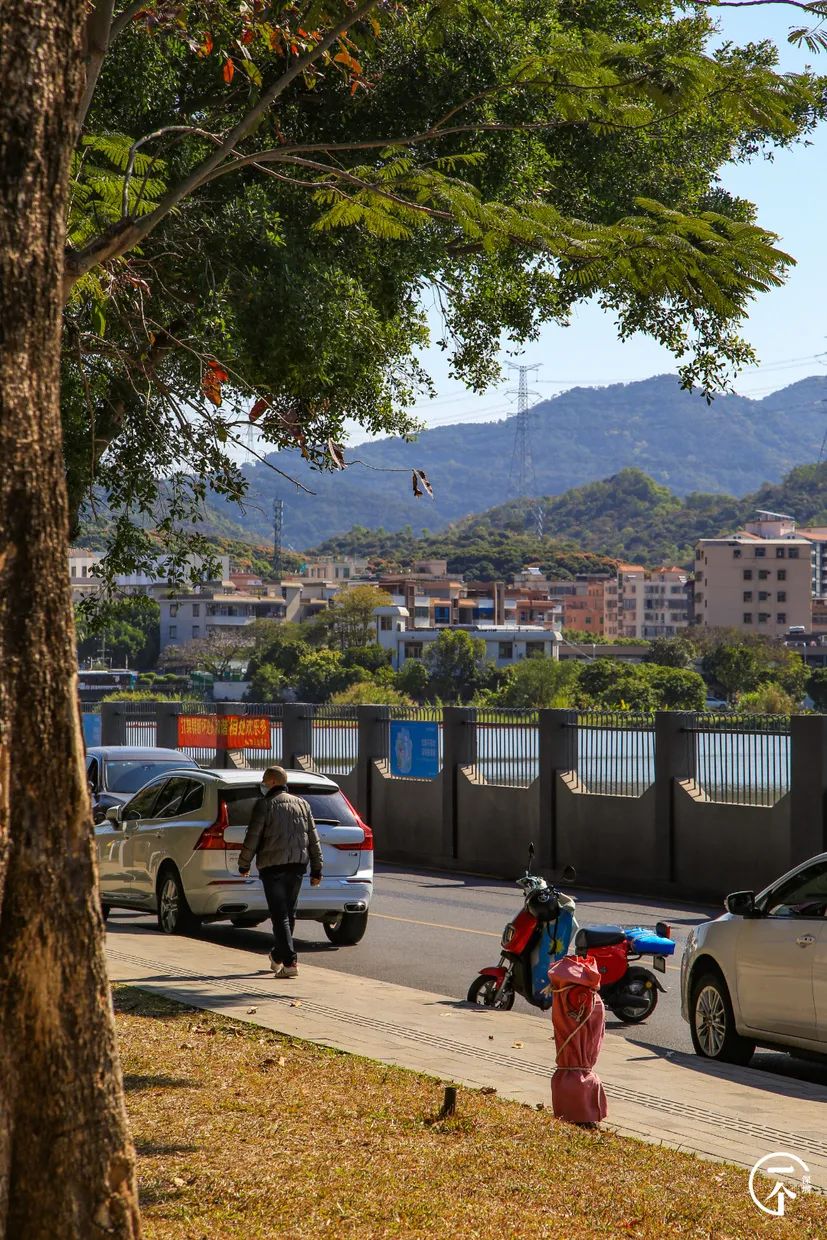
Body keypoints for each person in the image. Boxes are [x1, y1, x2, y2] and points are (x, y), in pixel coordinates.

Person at [238, 766, 323, 978]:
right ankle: (277, 955)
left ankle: (290, 962)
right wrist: (317, 868)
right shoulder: (303, 805)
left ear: (273, 782)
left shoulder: (264, 805)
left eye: (265, 782)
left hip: (272, 867)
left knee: (279, 915)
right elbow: (313, 838)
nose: (263, 785)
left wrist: (244, 863)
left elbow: (253, 837)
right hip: (297, 866)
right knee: (288, 913)